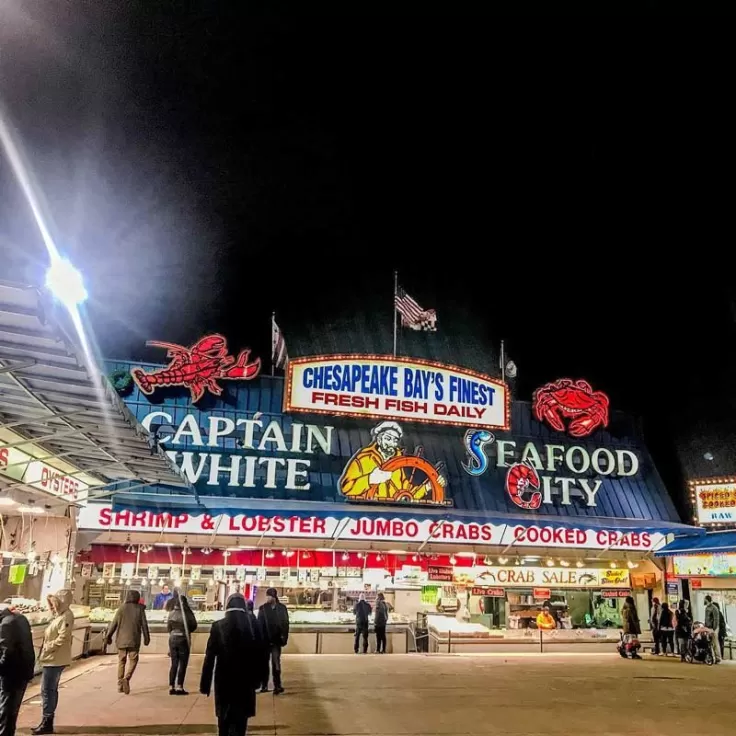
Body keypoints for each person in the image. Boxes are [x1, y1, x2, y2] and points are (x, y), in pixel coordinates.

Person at [200, 593, 265, 736]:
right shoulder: (252, 624)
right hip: (245, 679)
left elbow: (209, 657)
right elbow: (261, 654)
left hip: (224, 679)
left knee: (223, 721)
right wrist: (260, 679)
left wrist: (205, 684)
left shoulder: (218, 626)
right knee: (241, 722)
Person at [339, 421, 446, 501]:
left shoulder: (398, 463)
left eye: (395, 440)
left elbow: (407, 494)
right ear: (379, 439)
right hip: (366, 518)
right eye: (388, 439)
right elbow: (346, 488)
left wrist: (429, 486)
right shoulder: (363, 460)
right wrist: (370, 479)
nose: (392, 444)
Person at [33, 589, 75, 735]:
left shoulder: (66, 616)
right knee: (49, 690)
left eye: (53, 604)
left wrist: (48, 647)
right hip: (52, 658)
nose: (51, 607)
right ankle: (46, 720)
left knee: (47, 690)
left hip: (54, 659)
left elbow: (63, 637)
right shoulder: (60, 616)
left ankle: (47, 721)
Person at [0, 602, 35, 736]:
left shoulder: (5, 624)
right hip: (24, 670)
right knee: (13, 708)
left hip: (11, 673)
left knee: (6, 708)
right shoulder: (21, 618)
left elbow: (7, 653)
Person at [106, 590, 150, 695]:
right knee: (133, 660)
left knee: (121, 661)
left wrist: (108, 636)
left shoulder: (121, 608)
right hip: (134, 639)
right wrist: (147, 638)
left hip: (121, 640)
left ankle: (119, 685)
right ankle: (127, 678)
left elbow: (114, 624)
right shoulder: (139, 609)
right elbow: (144, 625)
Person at [257, 588, 289, 694]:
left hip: (276, 641)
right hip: (265, 641)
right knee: (263, 664)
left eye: (269, 596)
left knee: (276, 663)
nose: (267, 598)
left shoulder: (282, 608)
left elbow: (285, 624)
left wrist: (284, 638)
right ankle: (264, 685)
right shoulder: (263, 608)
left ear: (274, 597)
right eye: (267, 596)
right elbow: (259, 624)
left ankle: (277, 685)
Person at [166, 592, 197, 695]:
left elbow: (168, 628)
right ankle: (179, 686)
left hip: (172, 639)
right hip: (184, 639)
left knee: (174, 663)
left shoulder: (171, 613)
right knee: (182, 663)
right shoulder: (188, 613)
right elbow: (194, 626)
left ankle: (171, 686)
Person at [621, 596, 642, 660]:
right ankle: (632, 653)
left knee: (627, 640)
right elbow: (632, 619)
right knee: (633, 641)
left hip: (626, 628)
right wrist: (636, 623)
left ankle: (628, 652)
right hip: (631, 627)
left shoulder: (624, 608)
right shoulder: (630, 608)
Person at [704, 595, 723, 663]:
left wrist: (714, 629)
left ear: (707, 600)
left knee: (715, 643)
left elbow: (716, 619)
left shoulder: (714, 608)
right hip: (708, 627)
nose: (704, 601)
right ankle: (712, 657)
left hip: (713, 628)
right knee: (710, 643)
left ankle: (718, 658)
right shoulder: (707, 608)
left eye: (705, 599)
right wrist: (705, 626)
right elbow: (706, 618)